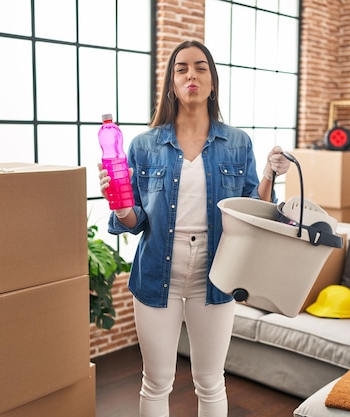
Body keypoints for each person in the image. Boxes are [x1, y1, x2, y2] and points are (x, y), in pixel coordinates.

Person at [97, 40, 290, 417]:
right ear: (171, 83)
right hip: (156, 271)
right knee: (156, 381)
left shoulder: (237, 142)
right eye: (182, 68)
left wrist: (269, 173)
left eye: (201, 68)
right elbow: (135, 221)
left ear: (213, 81)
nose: (191, 75)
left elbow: (255, 210)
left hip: (216, 272)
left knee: (210, 380)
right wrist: (117, 205)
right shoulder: (143, 145)